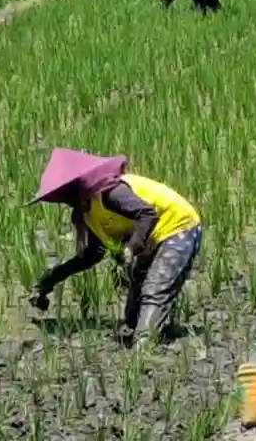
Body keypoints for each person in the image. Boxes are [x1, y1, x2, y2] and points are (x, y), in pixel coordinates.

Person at [26, 148, 203, 345]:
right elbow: (90, 256)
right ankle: (142, 331)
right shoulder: (89, 214)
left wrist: (130, 248)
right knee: (134, 310)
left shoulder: (111, 193)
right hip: (151, 238)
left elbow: (147, 214)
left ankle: (144, 347)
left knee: (155, 287)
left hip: (178, 225)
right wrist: (48, 281)